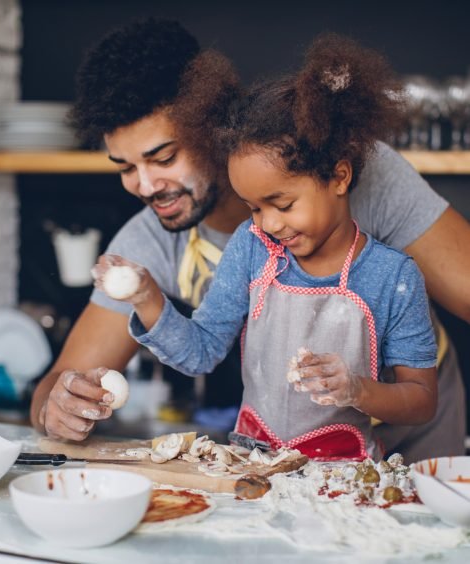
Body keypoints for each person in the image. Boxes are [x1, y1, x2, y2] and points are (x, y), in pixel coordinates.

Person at [30, 19, 468, 462]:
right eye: (125, 168)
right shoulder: (165, 241)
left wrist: (362, 389)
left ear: (207, 127)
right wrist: (62, 405)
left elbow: (422, 384)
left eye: (164, 157)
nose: (145, 186)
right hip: (285, 453)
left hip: (413, 434)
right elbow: (59, 385)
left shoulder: (362, 177)